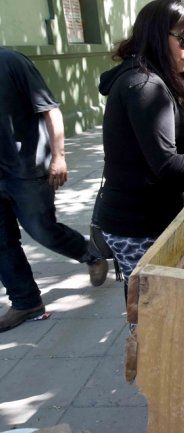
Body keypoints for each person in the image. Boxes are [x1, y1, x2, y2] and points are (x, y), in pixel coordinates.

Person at [95, 0, 184, 301]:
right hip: (137, 225)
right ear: (157, 35)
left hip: (155, 218)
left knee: (160, 312)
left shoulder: (155, 80)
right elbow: (167, 165)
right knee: (151, 317)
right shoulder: (144, 84)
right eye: (183, 40)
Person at [0, 48, 108, 332]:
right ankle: (26, 302)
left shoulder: (12, 62)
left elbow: (50, 109)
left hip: (27, 169)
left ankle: (90, 253)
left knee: (41, 230)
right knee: (2, 242)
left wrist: (59, 156)